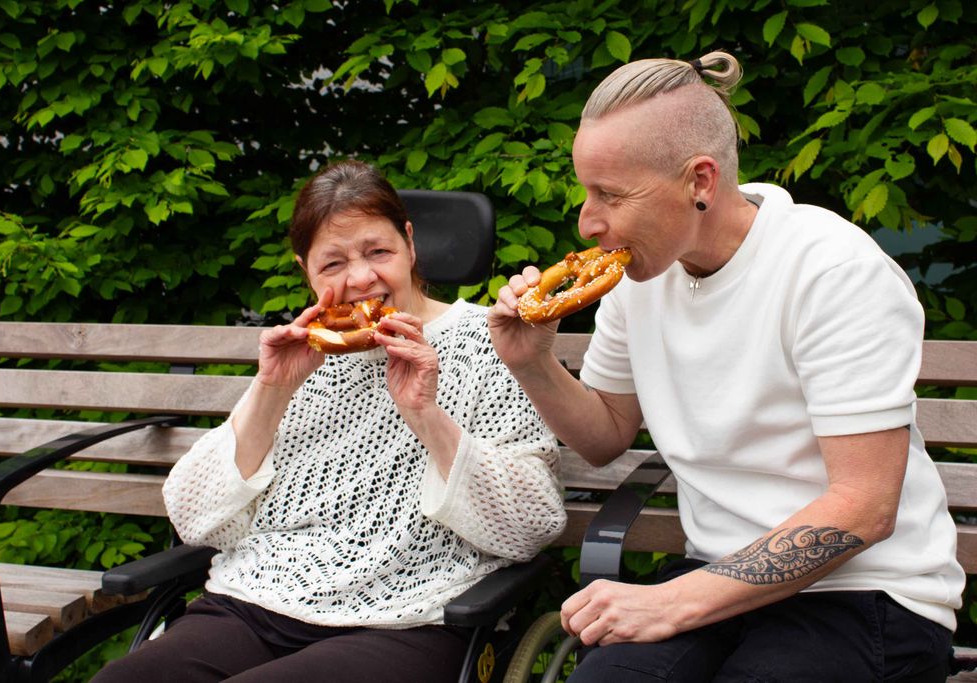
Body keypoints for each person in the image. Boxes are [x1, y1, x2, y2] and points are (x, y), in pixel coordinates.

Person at [489, 51, 964, 682]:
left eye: (610, 195)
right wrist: (534, 363)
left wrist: (670, 601)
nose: (587, 221)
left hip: (869, 595)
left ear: (700, 181)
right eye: (586, 192)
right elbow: (604, 437)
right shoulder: (640, 276)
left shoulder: (832, 272)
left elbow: (864, 506)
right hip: (717, 578)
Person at [93, 160, 566, 682]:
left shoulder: (489, 343)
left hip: (410, 618)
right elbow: (192, 517)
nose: (361, 278)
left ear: (409, 243)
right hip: (256, 604)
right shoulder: (303, 356)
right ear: (307, 271)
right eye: (333, 263)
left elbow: (531, 524)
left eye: (377, 252)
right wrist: (271, 392)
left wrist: (427, 416)